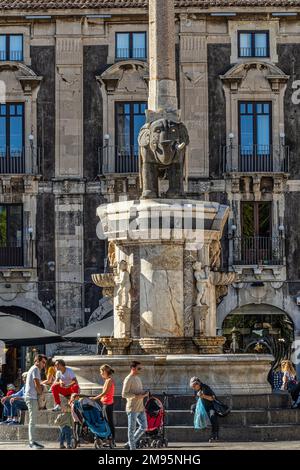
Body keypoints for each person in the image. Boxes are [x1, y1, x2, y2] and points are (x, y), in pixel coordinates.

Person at [122, 361, 148, 450]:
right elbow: (124, 394)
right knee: (131, 430)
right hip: (132, 408)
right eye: (139, 368)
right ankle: (132, 448)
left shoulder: (137, 378)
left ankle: (129, 443)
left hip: (140, 407)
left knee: (144, 427)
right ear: (133, 368)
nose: (140, 370)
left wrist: (144, 393)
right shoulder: (128, 379)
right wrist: (136, 396)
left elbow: (138, 390)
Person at [25, 354, 47, 449]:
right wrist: (41, 393)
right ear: (37, 361)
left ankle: (33, 441)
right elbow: (36, 383)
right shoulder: (36, 369)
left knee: (32, 420)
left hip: (31, 397)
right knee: (32, 420)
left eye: (45, 363)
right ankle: (31, 442)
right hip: (31, 397)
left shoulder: (33, 369)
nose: (44, 365)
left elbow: (37, 383)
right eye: (43, 362)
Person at [90, 364, 115, 446]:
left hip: (108, 405)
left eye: (101, 372)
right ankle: (109, 440)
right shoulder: (107, 380)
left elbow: (105, 392)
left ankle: (112, 440)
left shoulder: (109, 380)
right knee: (107, 422)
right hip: (106, 404)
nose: (100, 374)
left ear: (105, 371)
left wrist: (95, 398)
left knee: (109, 422)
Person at [190, 376, 219, 442]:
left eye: (194, 386)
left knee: (213, 416)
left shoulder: (205, 387)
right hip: (203, 406)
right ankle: (203, 423)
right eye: (192, 387)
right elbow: (198, 402)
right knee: (192, 407)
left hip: (211, 406)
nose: (193, 388)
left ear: (198, 384)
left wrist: (203, 396)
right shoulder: (196, 390)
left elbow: (213, 398)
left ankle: (215, 434)